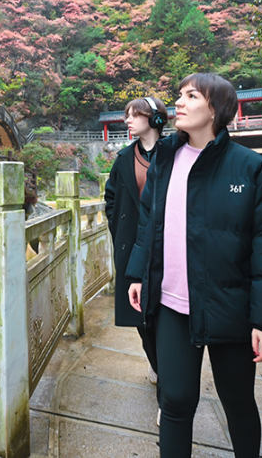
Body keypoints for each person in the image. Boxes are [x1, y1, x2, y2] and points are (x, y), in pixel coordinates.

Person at [126, 73, 262, 458]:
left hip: (229, 306)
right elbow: (148, 222)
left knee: (236, 400)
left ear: (216, 109)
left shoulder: (251, 169)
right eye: (179, 95)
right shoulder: (165, 159)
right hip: (172, 304)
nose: (179, 103)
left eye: (190, 96)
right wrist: (137, 273)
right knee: (176, 401)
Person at [104, 97, 168, 390]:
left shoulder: (175, 153)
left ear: (154, 119)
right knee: (139, 315)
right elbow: (111, 199)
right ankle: (156, 363)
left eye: (134, 115)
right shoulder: (123, 159)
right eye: (126, 115)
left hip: (169, 247)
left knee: (165, 313)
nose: (127, 120)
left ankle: (168, 370)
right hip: (132, 247)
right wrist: (119, 231)